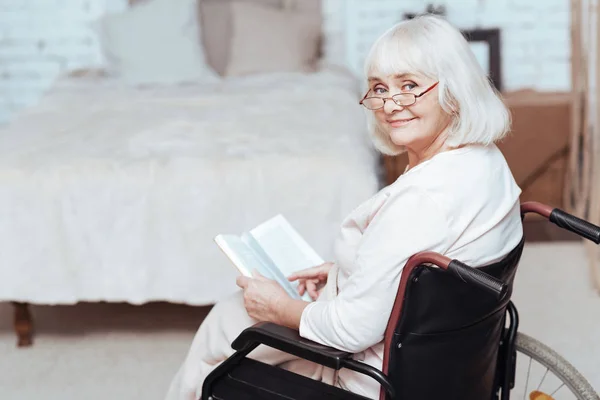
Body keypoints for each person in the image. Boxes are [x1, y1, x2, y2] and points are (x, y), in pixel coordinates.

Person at [165, 14, 523, 400]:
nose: (390, 105)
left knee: (230, 324)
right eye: (379, 88)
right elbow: (421, 267)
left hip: (368, 379)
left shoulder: (421, 201)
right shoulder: (487, 164)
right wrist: (343, 273)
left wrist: (279, 307)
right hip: (445, 365)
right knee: (234, 320)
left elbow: (351, 331)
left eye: (409, 86)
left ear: (453, 90)